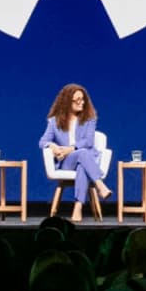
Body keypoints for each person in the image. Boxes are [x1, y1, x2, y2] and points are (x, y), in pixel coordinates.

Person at [38, 84, 111, 223]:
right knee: (82, 154)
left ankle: (78, 207)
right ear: (66, 101)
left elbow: (89, 141)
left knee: (82, 166)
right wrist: (53, 146)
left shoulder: (90, 118)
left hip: (85, 160)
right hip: (67, 162)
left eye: (83, 99)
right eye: (77, 100)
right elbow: (42, 141)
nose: (81, 102)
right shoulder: (54, 122)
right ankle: (100, 184)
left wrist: (70, 148)